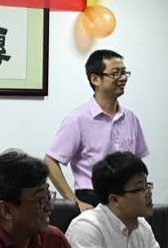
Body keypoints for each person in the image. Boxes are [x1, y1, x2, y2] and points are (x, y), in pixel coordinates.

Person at [45, 49, 149, 210]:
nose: (123, 78)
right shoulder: (78, 119)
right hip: (92, 199)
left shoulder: (131, 118)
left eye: (124, 73)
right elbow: (50, 160)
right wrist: (73, 201)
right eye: (116, 73)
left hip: (127, 199)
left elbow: (138, 163)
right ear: (95, 79)